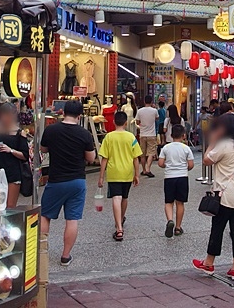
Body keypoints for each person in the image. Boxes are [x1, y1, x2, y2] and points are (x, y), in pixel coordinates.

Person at [192, 113, 234, 282]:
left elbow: (206, 160)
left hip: (225, 196)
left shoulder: (224, 145)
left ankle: (209, 263)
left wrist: (212, 141)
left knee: (217, 229)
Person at [40, 100, 96, 267]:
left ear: (63, 113)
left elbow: (43, 149)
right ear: (79, 116)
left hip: (56, 180)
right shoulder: (84, 134)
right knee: (72, 219)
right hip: (77, 181)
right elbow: (91, 158)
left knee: (45, 215)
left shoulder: (51, 130)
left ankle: (41, 251)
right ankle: (65, 256)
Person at [98, 111, 141, 241]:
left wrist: (101, 177)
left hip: (113, 171)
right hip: (127, 172)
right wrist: (137, 174)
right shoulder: (131, 137)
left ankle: (119, 229)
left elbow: (104, 158)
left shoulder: (109, 137)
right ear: (126, 123)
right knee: (124, 197)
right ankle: (121, 219)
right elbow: (136, 158)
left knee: (116, 198)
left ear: (113, 122)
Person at [0, 102, 30, 209]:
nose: (4, 118)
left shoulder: (20, 133)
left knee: (10, 207)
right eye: (2, 115)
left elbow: (25, 156)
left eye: (7, 115)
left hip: (13, 172)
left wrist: (11, 150)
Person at [158, 123, 194, 238]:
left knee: (169, 202)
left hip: (169, 177)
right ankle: (178, 228)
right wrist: (185, 168)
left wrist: (167, 166)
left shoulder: (166, 148)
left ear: (171, 135)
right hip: (182, 177)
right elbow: (191, 165)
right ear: (184, 135)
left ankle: (170, 220)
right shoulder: (186, 148)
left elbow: (160, 163)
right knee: (180, 202)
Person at [136, 95, 158, 177]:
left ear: (144, 101)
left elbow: (137, 122)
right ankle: (148, 169)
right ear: (151, 102)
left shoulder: (140, 111)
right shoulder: (154, 111)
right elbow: (157, 118)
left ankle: (144, 170)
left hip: (142, 134)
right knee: (151, 152)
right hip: (152, 134)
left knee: (142, 154)